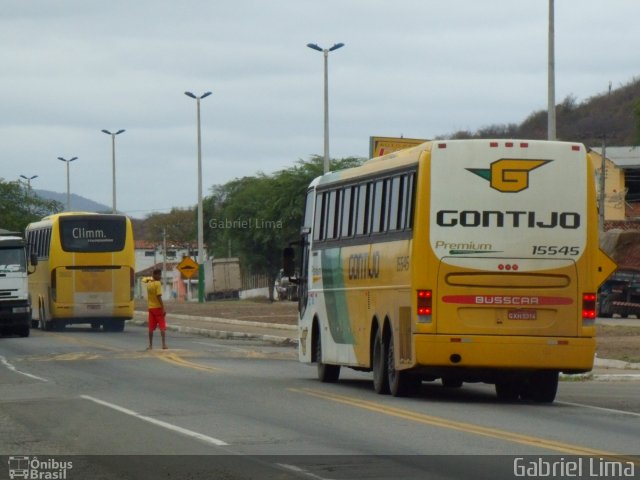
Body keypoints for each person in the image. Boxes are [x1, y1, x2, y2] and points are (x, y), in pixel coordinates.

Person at [143, 268, 168, 350]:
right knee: (162, 326)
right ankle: (163, 344)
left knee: (150, 327)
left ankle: (150, 345)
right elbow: (158, 296)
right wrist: (163, 308)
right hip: (157, 308)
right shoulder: (157, 283)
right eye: (159, 274)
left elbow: (144, 280)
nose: (160, 276)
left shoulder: (149, 284)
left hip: (150, 308)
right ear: (155, 275)